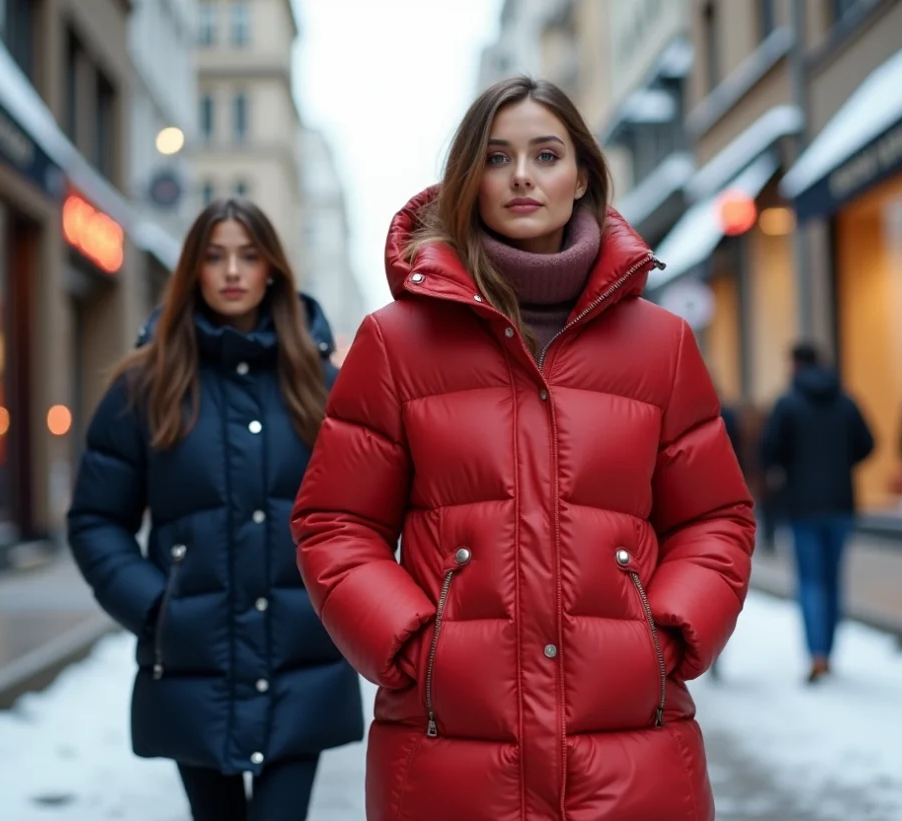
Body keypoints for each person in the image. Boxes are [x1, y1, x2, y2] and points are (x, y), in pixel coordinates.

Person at [290, 77, 755, 821]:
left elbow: (717, 517)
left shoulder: (662, 345)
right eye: (499, 157)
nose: (522, 176)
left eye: (546, 154)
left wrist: (664, 630)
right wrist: (411, 644)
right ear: (471, 179)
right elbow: (335, 521)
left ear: (582, 179)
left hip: (633, 750)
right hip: (452, 751)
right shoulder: (396, 342)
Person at [66, 198, 363, 821]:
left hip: (300, 657)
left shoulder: (321, 384)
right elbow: (96, 520)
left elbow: (360, 515)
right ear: (192, 271)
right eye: (215, 256)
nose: (233, 271)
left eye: (249, 256)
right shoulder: (146, 386)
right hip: (195, 658)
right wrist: (154, 605)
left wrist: (340, 600)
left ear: (272, 270)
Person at [759, 342, 874, 684]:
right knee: (833, 578)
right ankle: (830, 650)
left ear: (795, 364)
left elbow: (768, 452)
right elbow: (868, 444)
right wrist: (840, 465)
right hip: (840, 503)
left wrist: (788, 470)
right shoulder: (846, 400)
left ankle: (817, 654)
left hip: (802, 505)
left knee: (810, 581)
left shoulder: (787, 403)